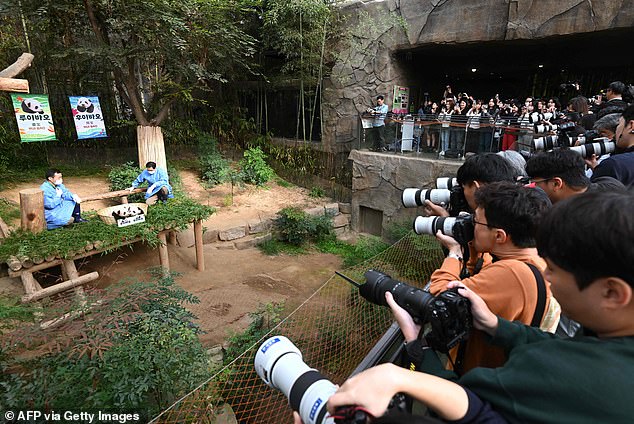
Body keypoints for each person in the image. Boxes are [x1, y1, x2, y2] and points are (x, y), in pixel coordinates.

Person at [325, 191, 634, 424]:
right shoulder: (607, 344)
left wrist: (414, 354)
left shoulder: (559, 371)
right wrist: (497, 326)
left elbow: (467, 398)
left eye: (552, 269)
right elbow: (559, 344)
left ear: (612, 292)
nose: (546, 274)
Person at [426, 182, 560, 373]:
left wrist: (454, 253)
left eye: (477, 221)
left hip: (476, 383)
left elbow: (440, 294)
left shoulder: (512, 273)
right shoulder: (536, 259)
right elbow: (477, 280)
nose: (472, 225)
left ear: (499, 236)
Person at [525, 149, 625, 203]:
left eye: (535, 183)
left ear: (556, 183)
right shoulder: (610, 184)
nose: (532, 187)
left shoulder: (572, 222)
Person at [591, 104, 634, 186]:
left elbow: (594, 197)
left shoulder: (615, 165)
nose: (616, 131)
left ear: (632, 126)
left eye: (619, 124)